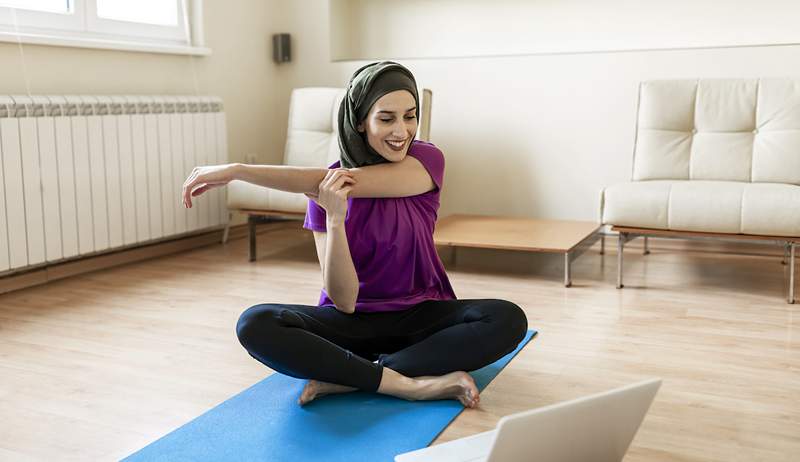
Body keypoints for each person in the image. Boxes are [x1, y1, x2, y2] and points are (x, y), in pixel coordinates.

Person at [181, 62, 527, 408]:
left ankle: (353, 377)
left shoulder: (425, 159)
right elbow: (344, 301)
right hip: (351, 325)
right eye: (387, 118)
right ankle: (407, 384)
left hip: (423, 316)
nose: (402, 130)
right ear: (360, 121)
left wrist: (237, 170)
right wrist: (334, 219)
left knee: (508, 319)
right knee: (255, 323)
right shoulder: (325, 193)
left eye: (410, 116)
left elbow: (347, 182)